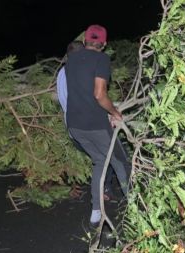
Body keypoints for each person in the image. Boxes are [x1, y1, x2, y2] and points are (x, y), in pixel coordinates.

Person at [65, 25, 131, 225]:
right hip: (94, 124)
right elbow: (99, 94)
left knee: (100, 161)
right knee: (122, 162)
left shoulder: (71, 60)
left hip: (75, 126)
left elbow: (81, 91)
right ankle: (137, 207)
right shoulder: (101, 59)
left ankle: (96, 210)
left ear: (85, 41)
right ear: (103, 44)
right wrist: (114, 113)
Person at [56, 41, 114, 199]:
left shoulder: (63, 72)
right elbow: (96, 96)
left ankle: (100, 187)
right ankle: (104, 189)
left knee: (100, 156)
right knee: (108, 154)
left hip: (73, 126)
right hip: (85, 124)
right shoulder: (76, 73)